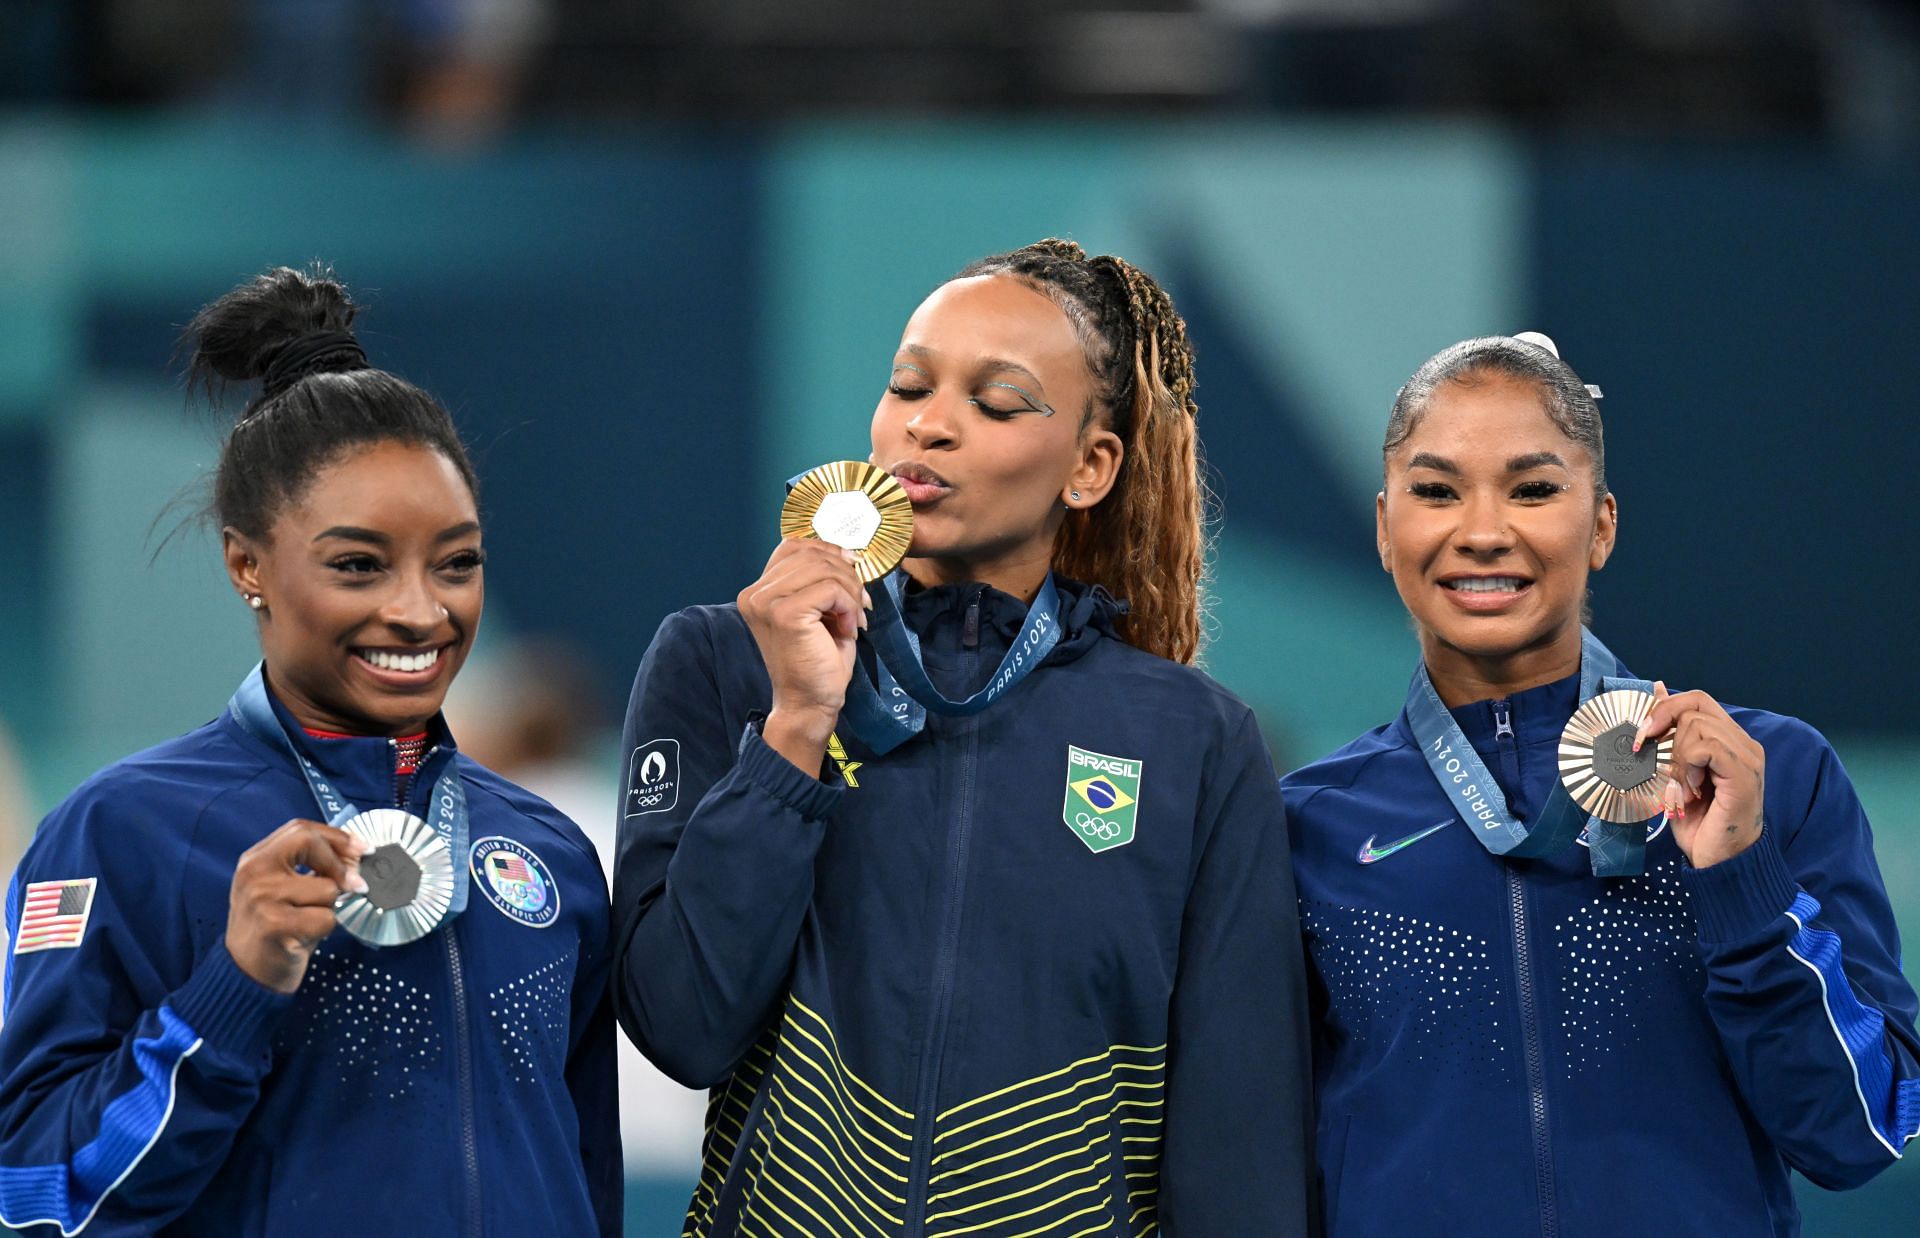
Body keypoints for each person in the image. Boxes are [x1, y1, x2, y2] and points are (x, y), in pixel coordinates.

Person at [614, 239, 1314, 1235]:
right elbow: (682, 1024)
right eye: (909, 386)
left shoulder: (1193, 740)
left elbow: (1237, 1154)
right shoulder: (724, 661)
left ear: (1090, 465)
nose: (929, 425)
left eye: (996, 402)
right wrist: (796, 729)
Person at [0, 266, 620, 1236]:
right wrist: (233, 982)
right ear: (248, 563)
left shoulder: (550, 851)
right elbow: (28, 1190)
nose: (420, 609)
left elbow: (586, 1181)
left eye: (456, 561)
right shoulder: (123, 829)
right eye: (357, 564)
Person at [1281, 333, 1920, 1235]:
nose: (1484, 530)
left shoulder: (1768, 775)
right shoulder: (1308, 825)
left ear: (1603, 526)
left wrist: (1741, 875)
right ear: (1387, 530)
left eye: (1535, 488)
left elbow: (1859, 1136)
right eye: (1436, 491)